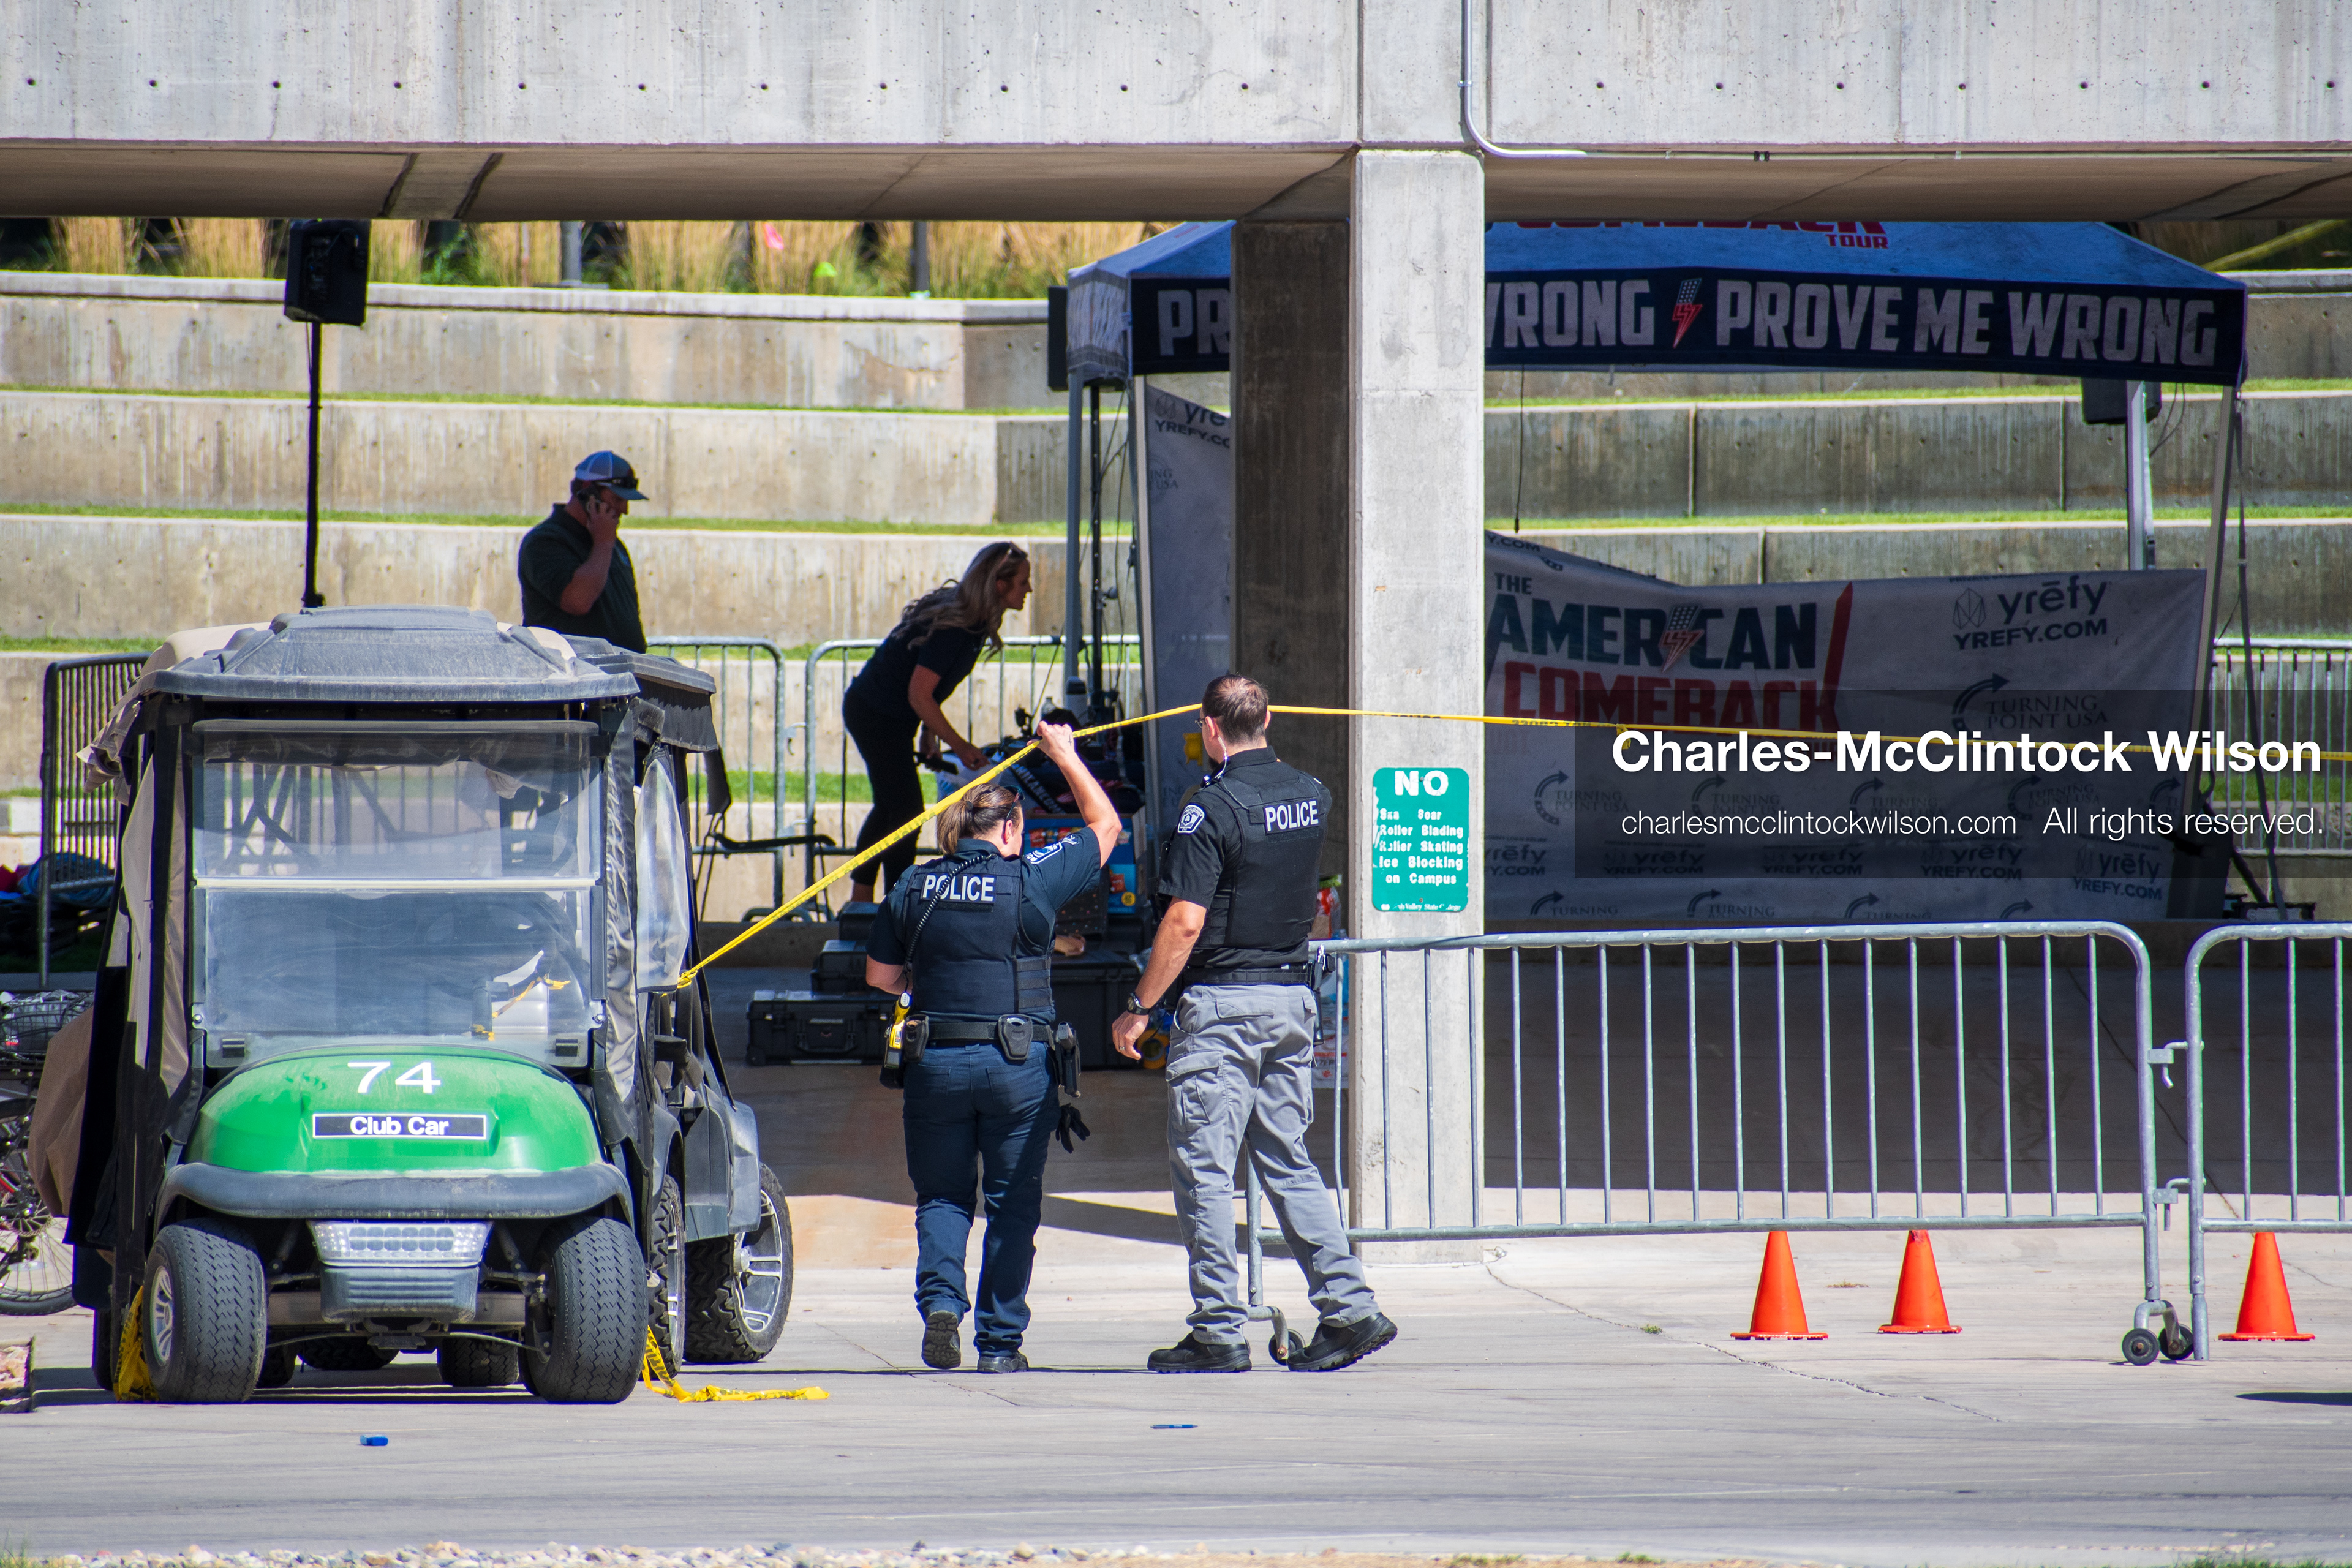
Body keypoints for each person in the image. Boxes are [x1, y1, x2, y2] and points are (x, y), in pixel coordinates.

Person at [1111, 674, 1396, 1374]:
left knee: (1205, 1172)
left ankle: (1218, 1329)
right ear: (1267, 719)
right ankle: (1349, 1307)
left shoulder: (1208, 810)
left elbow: (1184, 921)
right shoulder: (1311, 793)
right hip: (1291, 1002)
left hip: (1223, 1008)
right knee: (1287, 1158)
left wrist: (1141, 1005)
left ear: (1210, 728)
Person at [863, 720, 1118, 1374]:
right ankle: (1000, 1344)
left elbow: (880, 978)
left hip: (936, 1063)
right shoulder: (1031, 880)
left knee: (943, 1197)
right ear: (1008, 829)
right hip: (1016, 1066)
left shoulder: (915, 886)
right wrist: (1063, 753)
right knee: (1011, 1204)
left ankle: (942, 1306)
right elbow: (1106, 825)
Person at [843, 542, 1032, 902]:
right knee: (907, 810)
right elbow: (919, 695)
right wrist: (960, 746)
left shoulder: (973, 624)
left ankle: (864, 898)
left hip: (895, 717)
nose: (1029, 590)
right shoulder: (957, 629)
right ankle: (893, 902)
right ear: (999, 585)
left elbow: (933, 687)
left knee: (892, 806)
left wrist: (929, 735)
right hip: (875, 712)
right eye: (1023, 582)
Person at [517, 451, 648, 653]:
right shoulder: (545, 541)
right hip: (575, 675)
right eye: (617, 499)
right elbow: (578, 601)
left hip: (621, 674)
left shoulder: (612, 543)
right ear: (589, 492)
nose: (625, 510)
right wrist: (603, 544)